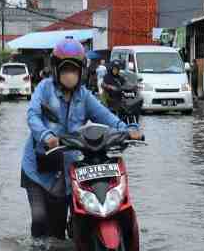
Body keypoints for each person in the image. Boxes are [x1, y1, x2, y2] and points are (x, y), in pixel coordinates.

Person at [21, 38, 143, 239]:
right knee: (40, 219)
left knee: (61, 229)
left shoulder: (84, 96)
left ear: (81, 72)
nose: (70, 74)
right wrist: (47, 135)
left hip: (67, 168)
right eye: (66, 69)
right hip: (38, 166)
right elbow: (32, 116)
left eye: (74, 69)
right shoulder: (44, 88)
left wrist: (128, 129)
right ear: (57, 70)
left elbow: (106, 116)